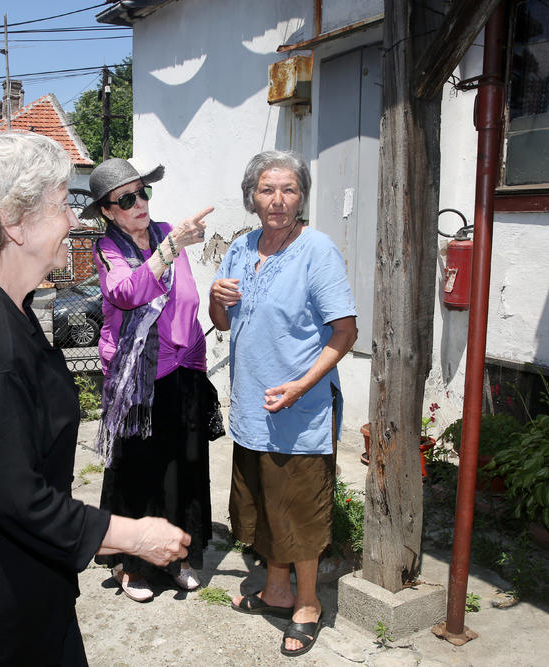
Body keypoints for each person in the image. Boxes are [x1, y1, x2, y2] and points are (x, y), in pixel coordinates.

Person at [0, 133, 191, 666]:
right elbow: (15, 498)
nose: (75, 222)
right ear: (14, 221)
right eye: (60, 207)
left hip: (22, 589)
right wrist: (134, 534)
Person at [208, 150, 357, 658]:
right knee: (264, 504)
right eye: (267, 190)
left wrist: (301, 385)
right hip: (252, 403)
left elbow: (345, 332)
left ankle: (308, 605)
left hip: (299, 409)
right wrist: (215, 296)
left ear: (302, 197)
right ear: (252, 196)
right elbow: (225, 323)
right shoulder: (241, 248)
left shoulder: (318, 250)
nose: (277, 200)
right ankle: (275, 590)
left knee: (299, 510)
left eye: (289, 190)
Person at [80, 158, 217, 602]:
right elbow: (126, 292)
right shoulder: (108, 249)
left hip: (184, 366)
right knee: (139, 471)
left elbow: (187, 298)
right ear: (108, 210)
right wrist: (172, 245)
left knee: (182, 466)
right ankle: (130, 565)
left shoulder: (162, 233)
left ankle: (176, 556)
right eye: (127, 198)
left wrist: (193, 348)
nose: (139, 203)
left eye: (142, 193)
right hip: (139, 376)